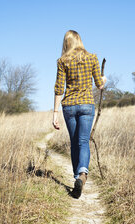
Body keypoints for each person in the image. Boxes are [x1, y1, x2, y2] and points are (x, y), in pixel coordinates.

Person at [53, 30, 106, 198]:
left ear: (66, 43)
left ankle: (77, 177)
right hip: (86, 105)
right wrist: (104, 79)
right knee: (83, 141)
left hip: (69, 106)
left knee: (74, 142)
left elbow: (58, 88)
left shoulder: (62, 61)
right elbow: (99, 84)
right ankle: (82, 174)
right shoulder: (91, 57)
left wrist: (55, 113)